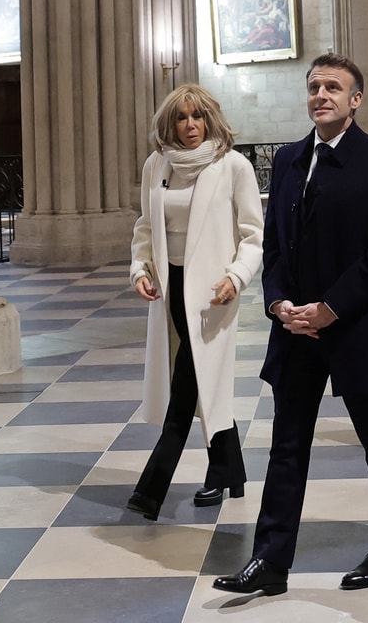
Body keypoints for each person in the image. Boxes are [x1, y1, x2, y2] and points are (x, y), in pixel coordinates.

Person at [213, 53, 368, 599]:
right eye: (314, 86)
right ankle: (270, 560)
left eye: (333, 87)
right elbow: (273, 242)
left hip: (357, 325)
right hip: (295, 329)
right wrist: (278, 303)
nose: (321, 94)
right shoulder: (287, 160)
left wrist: (330, 307)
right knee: (286, 445)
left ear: (356, 99)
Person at [126, 84, 264, 520]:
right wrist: (139, 269)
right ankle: (229, 472)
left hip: (212, 293)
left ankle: (151, 489)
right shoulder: (157, 165)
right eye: (182, 118)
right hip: (171, 286)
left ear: (210, 119)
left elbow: (254, 236)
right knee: (201, 379)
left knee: (187, 383)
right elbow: (146, 228)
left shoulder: (233, 166)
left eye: (197, 116)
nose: (190, 126)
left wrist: (236, 277)